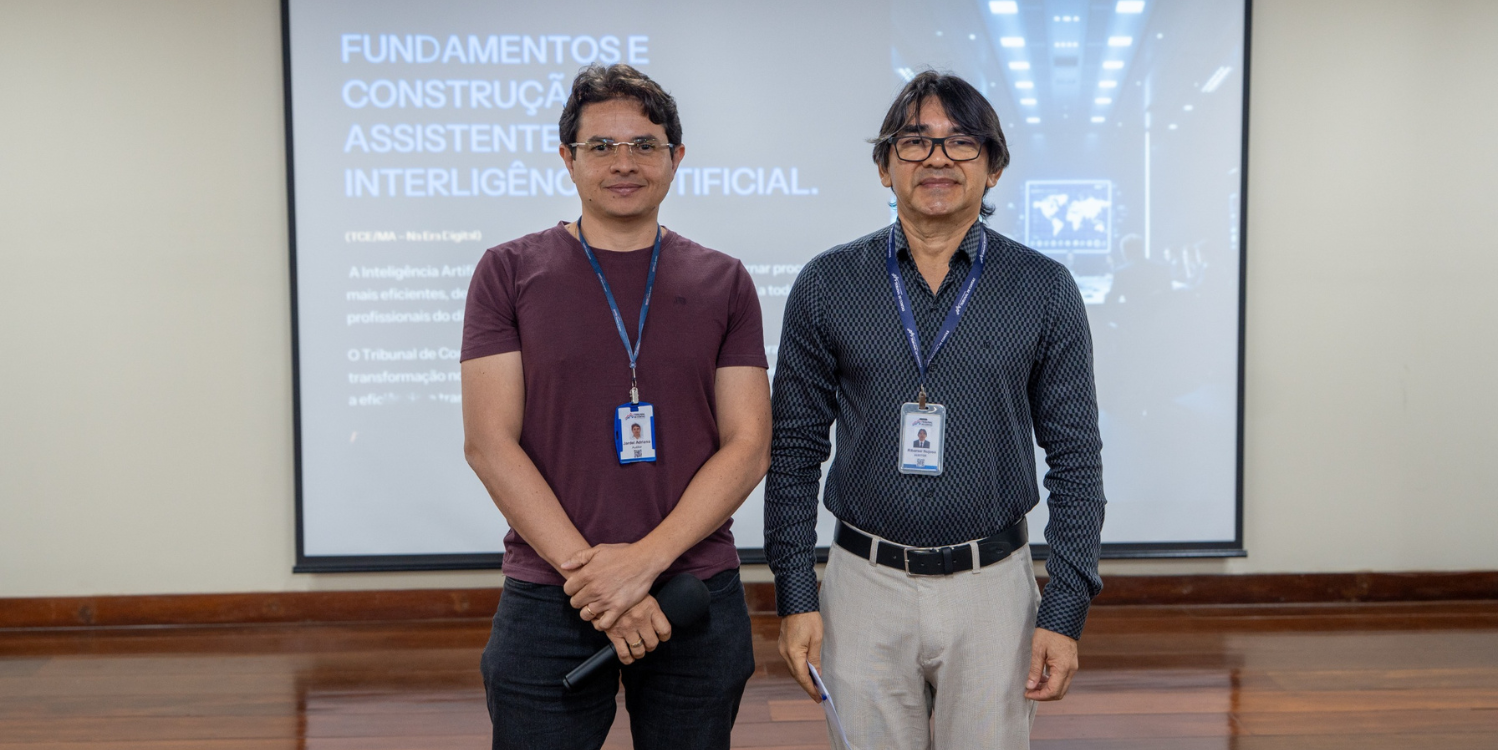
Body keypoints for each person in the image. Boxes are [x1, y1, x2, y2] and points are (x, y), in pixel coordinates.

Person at [764, 71, 1106, 749]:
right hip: (862, 585)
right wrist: (797, 595)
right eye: (915, 142)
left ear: (995, 168)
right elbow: (795, 452)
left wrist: (1063, 612)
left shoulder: (1043, 289)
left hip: (993, 591)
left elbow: (1075, 460)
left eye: (962, 143)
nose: (938, 160)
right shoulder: (828, 284)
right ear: (884, 165)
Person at [461, 63, 771, 750]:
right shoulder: (508, 272)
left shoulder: (724, 280)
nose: (623, 163)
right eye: (601, 146)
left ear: (676, 157)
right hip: (553, 591)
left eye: (645, 144)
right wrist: (596, 580)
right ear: (568, 159)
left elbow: (748, 443)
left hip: (693, 589)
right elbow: (489, 442)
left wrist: (644, 562)